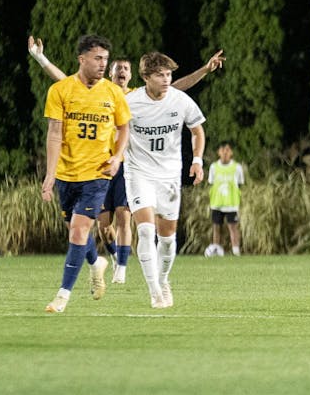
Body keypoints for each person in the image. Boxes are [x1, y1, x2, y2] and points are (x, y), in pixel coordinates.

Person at [28, 36, 223, 284]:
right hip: (102, 165)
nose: (121, 72)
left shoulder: (131, 96)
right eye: (116, 68)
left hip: (127, 167)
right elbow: (64, 81)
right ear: (110, 73)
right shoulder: (107, 94)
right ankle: (109, 260)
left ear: (132, 75)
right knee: (103, 225)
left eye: (125, 69)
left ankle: (124, 270)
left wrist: (205, 70)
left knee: (127, 218)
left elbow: (175, 89)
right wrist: (40, 58)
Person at [42, 34, 131, 313]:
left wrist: (117, 156)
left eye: (105, 58)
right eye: (97, 58)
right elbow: (55, 134)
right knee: (74, 230)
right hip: (68, 174)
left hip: (98, 174)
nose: (103, 64)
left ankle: (62, 296)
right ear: (82, 59)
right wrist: (50, 174)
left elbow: (124, 128)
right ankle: (96, 264)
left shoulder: (114, 93)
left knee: (80, 231)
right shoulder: (60, 90)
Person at [124, 52, 207, 308]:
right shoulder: (130, 102)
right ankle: (154, 292)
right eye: (160, 74)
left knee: (168, 237)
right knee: (146, 231)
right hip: (138, 173)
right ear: (146, 77)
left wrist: (197, 160)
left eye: (169, 74)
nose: (166, 79)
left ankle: (163, 280)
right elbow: (117, 131)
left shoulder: (180, 100)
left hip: (169, 175)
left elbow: (197, 131)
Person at [206, 141, 246, 257]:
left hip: (231, 204)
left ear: (231, 152)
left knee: (233, 227)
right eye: (222, 150)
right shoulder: (214, 167)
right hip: (217, 203)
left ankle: (236, 251)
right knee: (216, 227)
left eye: (227, 150)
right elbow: (211, 182)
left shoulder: (237, 167)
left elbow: (240, 184)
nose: (225, 153)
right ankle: (216, 250)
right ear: (218, 152)